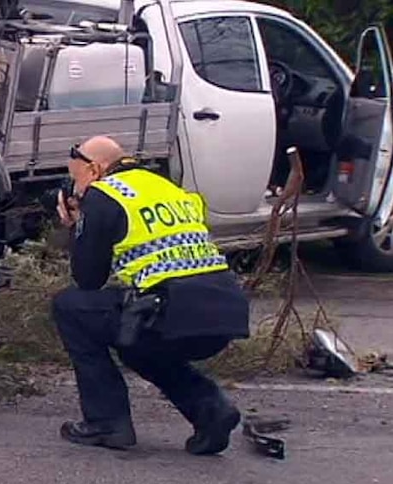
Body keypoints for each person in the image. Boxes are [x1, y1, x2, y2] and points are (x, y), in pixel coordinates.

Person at [52, 135, 250, 455]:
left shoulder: (103, 195)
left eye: (76, 179)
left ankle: (106, 422)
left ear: (95, 169)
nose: (76, 189)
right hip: (224, 313)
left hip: (174, 312)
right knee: (135, 338)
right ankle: (210, 410)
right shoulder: (166, 187)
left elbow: (87, 280)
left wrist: (77, 227)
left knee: (70, 306)